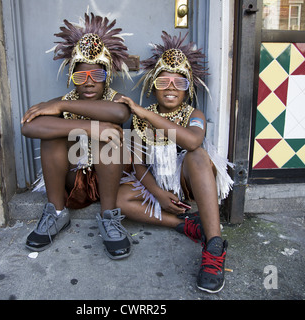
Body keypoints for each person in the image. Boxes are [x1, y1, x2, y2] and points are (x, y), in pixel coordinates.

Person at [115, 31, 233, 293]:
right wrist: (157, 194)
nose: (170, 87)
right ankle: (187, 224)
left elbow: (192, 141)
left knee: (198, 155)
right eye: (163, 81)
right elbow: (138, 164)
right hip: (157, 183)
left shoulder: (195, 114)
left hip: (188, 182)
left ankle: (214, 245)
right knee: (117, 199)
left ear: (188, 87)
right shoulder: (139, 120)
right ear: (153, 86)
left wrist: (144, 111)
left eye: (178, 82)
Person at [21, 13, 132, 260]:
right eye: (81, 77)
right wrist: (89, 127)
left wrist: (64, 108)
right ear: (72, 78)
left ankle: (109, 218)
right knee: (52, 137)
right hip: (75, 182)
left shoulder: (111, 99)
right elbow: (28, 127)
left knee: (110, 140)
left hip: (109, 183)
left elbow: (120, 113)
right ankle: (56, 214)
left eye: (97, 76)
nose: (89, 83)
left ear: (107, 78)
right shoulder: (62, 102)